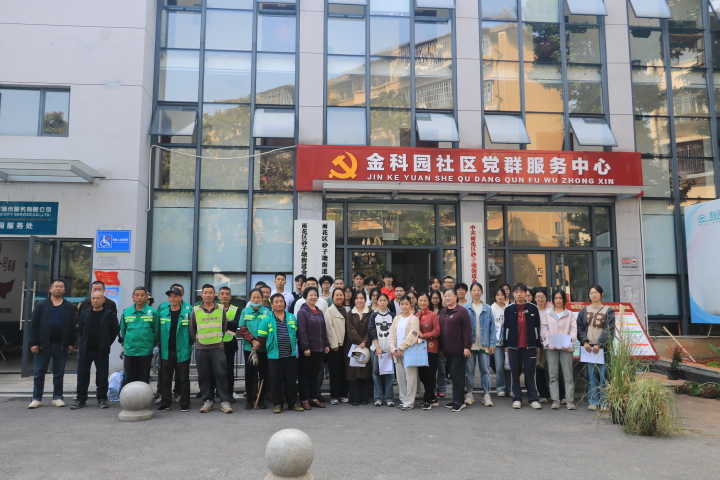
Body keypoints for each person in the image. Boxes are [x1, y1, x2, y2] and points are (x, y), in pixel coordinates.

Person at [28, 279, 78, 408]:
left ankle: (57, 397)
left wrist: (71, 343)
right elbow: (33, 325)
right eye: (56, 286)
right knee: (39, 372)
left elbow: (73, 326)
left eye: (61, 287)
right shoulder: (41, 305)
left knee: (59, 373)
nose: (58, 288)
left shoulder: (68, 306)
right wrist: (33, 343)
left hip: (61, 345)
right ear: (50, 289)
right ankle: (36, 398)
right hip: (43, 345)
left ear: (64, 290)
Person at [70, 290, 118, 410]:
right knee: (82, 375)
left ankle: (102, 399)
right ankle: (81, 399)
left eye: (98, 298)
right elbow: (81, 330)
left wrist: (106, 343)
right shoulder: (85, 313)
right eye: (93, 298)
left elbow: (114, 331)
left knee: (102, 375)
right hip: (86, 350)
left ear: (103, 300)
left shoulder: (109, 314)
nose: (95, 300)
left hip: (101, 350)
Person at [258, 294, 305, 413]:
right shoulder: (267, 320)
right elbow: (261, 338)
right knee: (276, 381)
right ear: (271, 304)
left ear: (284, 303)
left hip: (290, 355)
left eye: (281, 301)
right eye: (276, 301)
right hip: (274, 356)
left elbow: (297, 334)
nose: (279, 304)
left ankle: (292, 403)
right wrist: (269, 348)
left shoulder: (292, 317)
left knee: (291, 380)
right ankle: (278, 404)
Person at [190, 284, 232, 414]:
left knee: (221, 374)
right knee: (203, 375)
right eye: (205, 292)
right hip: (201, 347)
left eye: (210, 292)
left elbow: (224, 327)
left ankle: (224, 401)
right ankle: (207, 400)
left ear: (214, 294)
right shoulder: (195, 310)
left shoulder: (220, 309)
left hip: (217, 346)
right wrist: (198, 341)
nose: (208, 295)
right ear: (202, 294)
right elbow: (192, 329)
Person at [503, 283, 543, 410]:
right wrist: (506, 344)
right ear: (513, 294)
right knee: (515, 373)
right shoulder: (509, 309)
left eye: (521, 292)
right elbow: (505, 328)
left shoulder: (533, 308)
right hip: (513, 346)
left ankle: (533, 399)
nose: (519, 294)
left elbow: (537, 327)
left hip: (529, 346)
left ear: (526, 293)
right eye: (516, 292)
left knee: (530, 374)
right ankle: (517, 398)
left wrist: (537, 344)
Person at [577, 284, 616, 412]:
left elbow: (609, 330)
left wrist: (599, 343)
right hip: (589, 348)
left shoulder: (608, 310)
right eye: (591, 293)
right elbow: (579, 328)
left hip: (603, 348)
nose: (593, 295)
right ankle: (593, 401)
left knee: (604, 376)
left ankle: (605, 402)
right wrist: (585, 342)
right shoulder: (584, 310)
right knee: (591, 376)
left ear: (601, 294)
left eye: (595, 292)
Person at [156, 286, 192, 413]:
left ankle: (185, 402)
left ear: (181, 297)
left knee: (183, 379)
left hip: (182, 351)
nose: (172, 299)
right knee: (165, 379)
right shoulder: (162, 313)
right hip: (166, 351)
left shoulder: (188, 314)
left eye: (175, 296)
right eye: (170, 296)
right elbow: (157, 331)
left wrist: (189, 345)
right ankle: (165, 402)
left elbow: (193, 331)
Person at [541, 290, 577, 410]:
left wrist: (568, 343)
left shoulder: (570, 314)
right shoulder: (548, 314)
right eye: (556, 298)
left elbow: (573, 330)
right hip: (551, 348)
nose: (558, 300)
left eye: (560, 298)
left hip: (566, 348)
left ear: (564, 300)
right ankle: (555, 400)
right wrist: (548, 343)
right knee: (553, 375)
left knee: (568, 375)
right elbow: (544, 329)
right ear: (553, 300)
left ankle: (569, 400)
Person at [297, 287, 330, 410]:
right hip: (307, 349)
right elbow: (302, 331)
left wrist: (326, 344)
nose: (313, 297)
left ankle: (313, 397)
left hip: (319, 348)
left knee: (314, 375)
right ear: (305, 297)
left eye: (315, 295)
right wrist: (305, 347)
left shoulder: (319, 311)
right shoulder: (302, 312)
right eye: (310, 295)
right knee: (304, 375)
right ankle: (304, 399)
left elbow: (323, 329)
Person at [438, 288, 471, 413]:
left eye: (449, 295)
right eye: (445, 296)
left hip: (459, 349)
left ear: (456, 297)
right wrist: (441, 348)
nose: (447, 298)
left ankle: (458, 402)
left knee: (457, 375)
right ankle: (457, 399)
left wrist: (467, 346)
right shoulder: (442, 311)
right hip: (447, 349)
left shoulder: (462, 311)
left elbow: (467, 330)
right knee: (453, 374)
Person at [238, 288, 270, 410]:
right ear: (250, 298)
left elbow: (269, 329)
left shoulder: (267, 312)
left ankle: (260, 399)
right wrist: (253, 341)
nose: (256, 300)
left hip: (263, 349)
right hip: (249, 348)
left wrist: (260, 342)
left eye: (258, 297)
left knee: (263, 374)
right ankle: (250, 400)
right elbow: (243, 329)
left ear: (262, 298)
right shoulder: (245, 311)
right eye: (254, 297)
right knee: (250, 374)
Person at [119, 286, 159, 385]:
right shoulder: (126, 312)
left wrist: (151, 344)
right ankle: (130, 395)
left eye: (142, 295)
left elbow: (156, 331)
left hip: (145, 351)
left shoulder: (153, 313)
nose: (139, 297)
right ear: (133, 297)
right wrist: (127, 344)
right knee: (129, 378)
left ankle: (143, 395)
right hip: (130, 351)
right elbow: (123, 330)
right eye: (137, 295)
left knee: (144, 378)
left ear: (146, 297)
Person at [464, 282, 495, 407]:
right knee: (469, 370)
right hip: (470, 345)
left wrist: (492, 344)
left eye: (478, 290)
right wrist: (464, 345)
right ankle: (469, 393)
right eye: (474, 290)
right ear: (470, 292)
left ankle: (486, 395)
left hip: (484, 344)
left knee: (485, 370)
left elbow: (492, 328)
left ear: (482, 292)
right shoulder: (466, 308)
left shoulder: (487, 308)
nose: (476, 292)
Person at [389, 296, 420, 411]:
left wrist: (401, 347)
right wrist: (393, 349)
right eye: (402, 304)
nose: (404, 306)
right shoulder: (396, 318)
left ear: (411, 305)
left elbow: (413, 335)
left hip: (409, 352)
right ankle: (403, 399)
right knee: (400, 377)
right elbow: (392, 334)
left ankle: (409, 402)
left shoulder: (414, 319)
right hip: (397, 353)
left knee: (410, 378)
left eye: (407, 304)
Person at [345, 290, 373, 406]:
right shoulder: (350, 313)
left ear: (365, 300)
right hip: (352, 346)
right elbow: (350, 329)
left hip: (366, 346)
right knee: (353, 372)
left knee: (365, 371)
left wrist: (364, 342)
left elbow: (371, 328)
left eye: (361, 298)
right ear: (354, 300)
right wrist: (359, 341)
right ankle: (354, 398)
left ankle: (364, 397)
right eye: (357, 298)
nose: (359, 300)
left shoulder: (370, 312)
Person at [368, 292, 395, 407]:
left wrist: (392, 348)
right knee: (376, 373)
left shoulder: (393, 316)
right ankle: (378, 397)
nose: (382, 302)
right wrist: (377, 347)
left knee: (389, 374)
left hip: (389, 349)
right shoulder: (373, 316)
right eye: (380, 300)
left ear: (388, 302)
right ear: (377, 301)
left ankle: (389, 398)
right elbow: (372, 331)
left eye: (385, 300)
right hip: (376, 349)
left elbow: (395, 332)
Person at [324, 288, 349, 404]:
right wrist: (333, 344)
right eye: (337, 295)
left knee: (344, 371)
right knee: (335, 372)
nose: (339, 297)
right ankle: (334, 396)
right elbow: (329, 329)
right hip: (336, 346)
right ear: (333, 297)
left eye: (341, 295)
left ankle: (343, 394)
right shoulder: (329, 311)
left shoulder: (346, 310)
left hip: (345, 346)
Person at [417, 293, 441, 410]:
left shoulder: (433, 315)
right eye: (420, 300)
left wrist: (423, 335)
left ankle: (427, 400)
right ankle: (432, 398)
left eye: (425, 300)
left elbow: (437, 332)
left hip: (431, 348)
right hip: (418, 349)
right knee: (422, 375)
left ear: (428, 302)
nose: (422, 303)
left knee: (430, 375)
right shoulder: (415, 315)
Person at [217, 286, 240, 403]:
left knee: (229, 371)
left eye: (227, 294)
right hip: (215, 344)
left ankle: (229, 393)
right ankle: (217, 392)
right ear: (218, 296)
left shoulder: (236, 309)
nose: (224, 296)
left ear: (230, 296)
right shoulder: (213, 308)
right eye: (222, 294)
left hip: (230, 344)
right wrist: (228, 323)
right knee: (215, 370)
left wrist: (221, 322)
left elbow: (236, 324)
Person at [532, 289, 551, 403]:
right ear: (534, 298)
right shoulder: (532, 310)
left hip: (550, 342)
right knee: (539, 368)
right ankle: (543, 394)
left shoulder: (550, 311)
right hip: (537, 343)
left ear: (546, 298)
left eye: (542, 296)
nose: (540, 299)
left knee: (553, 369)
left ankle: (558, 394)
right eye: (538, 296)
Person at [490, 287, 510, 397]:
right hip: (497, 342)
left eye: (502, 295)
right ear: (494, 296)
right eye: (498, 295)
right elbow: (491, 323)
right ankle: (500, 388)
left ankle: (510, 388)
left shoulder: (509, 307)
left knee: (509, 365)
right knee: (499, 366)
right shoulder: (491, 308)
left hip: (508, 341)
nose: (500, 297)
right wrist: (501, 326)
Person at [429, 289, 446, 398]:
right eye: (433, 298)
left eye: (437, 298)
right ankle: (433, 388)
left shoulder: (444, 311)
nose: (435, 300)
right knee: (432, 368)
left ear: (440, 299)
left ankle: (442, 388)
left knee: (441, 367)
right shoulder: (427, 311)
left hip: (441, 342)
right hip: (430, 342)